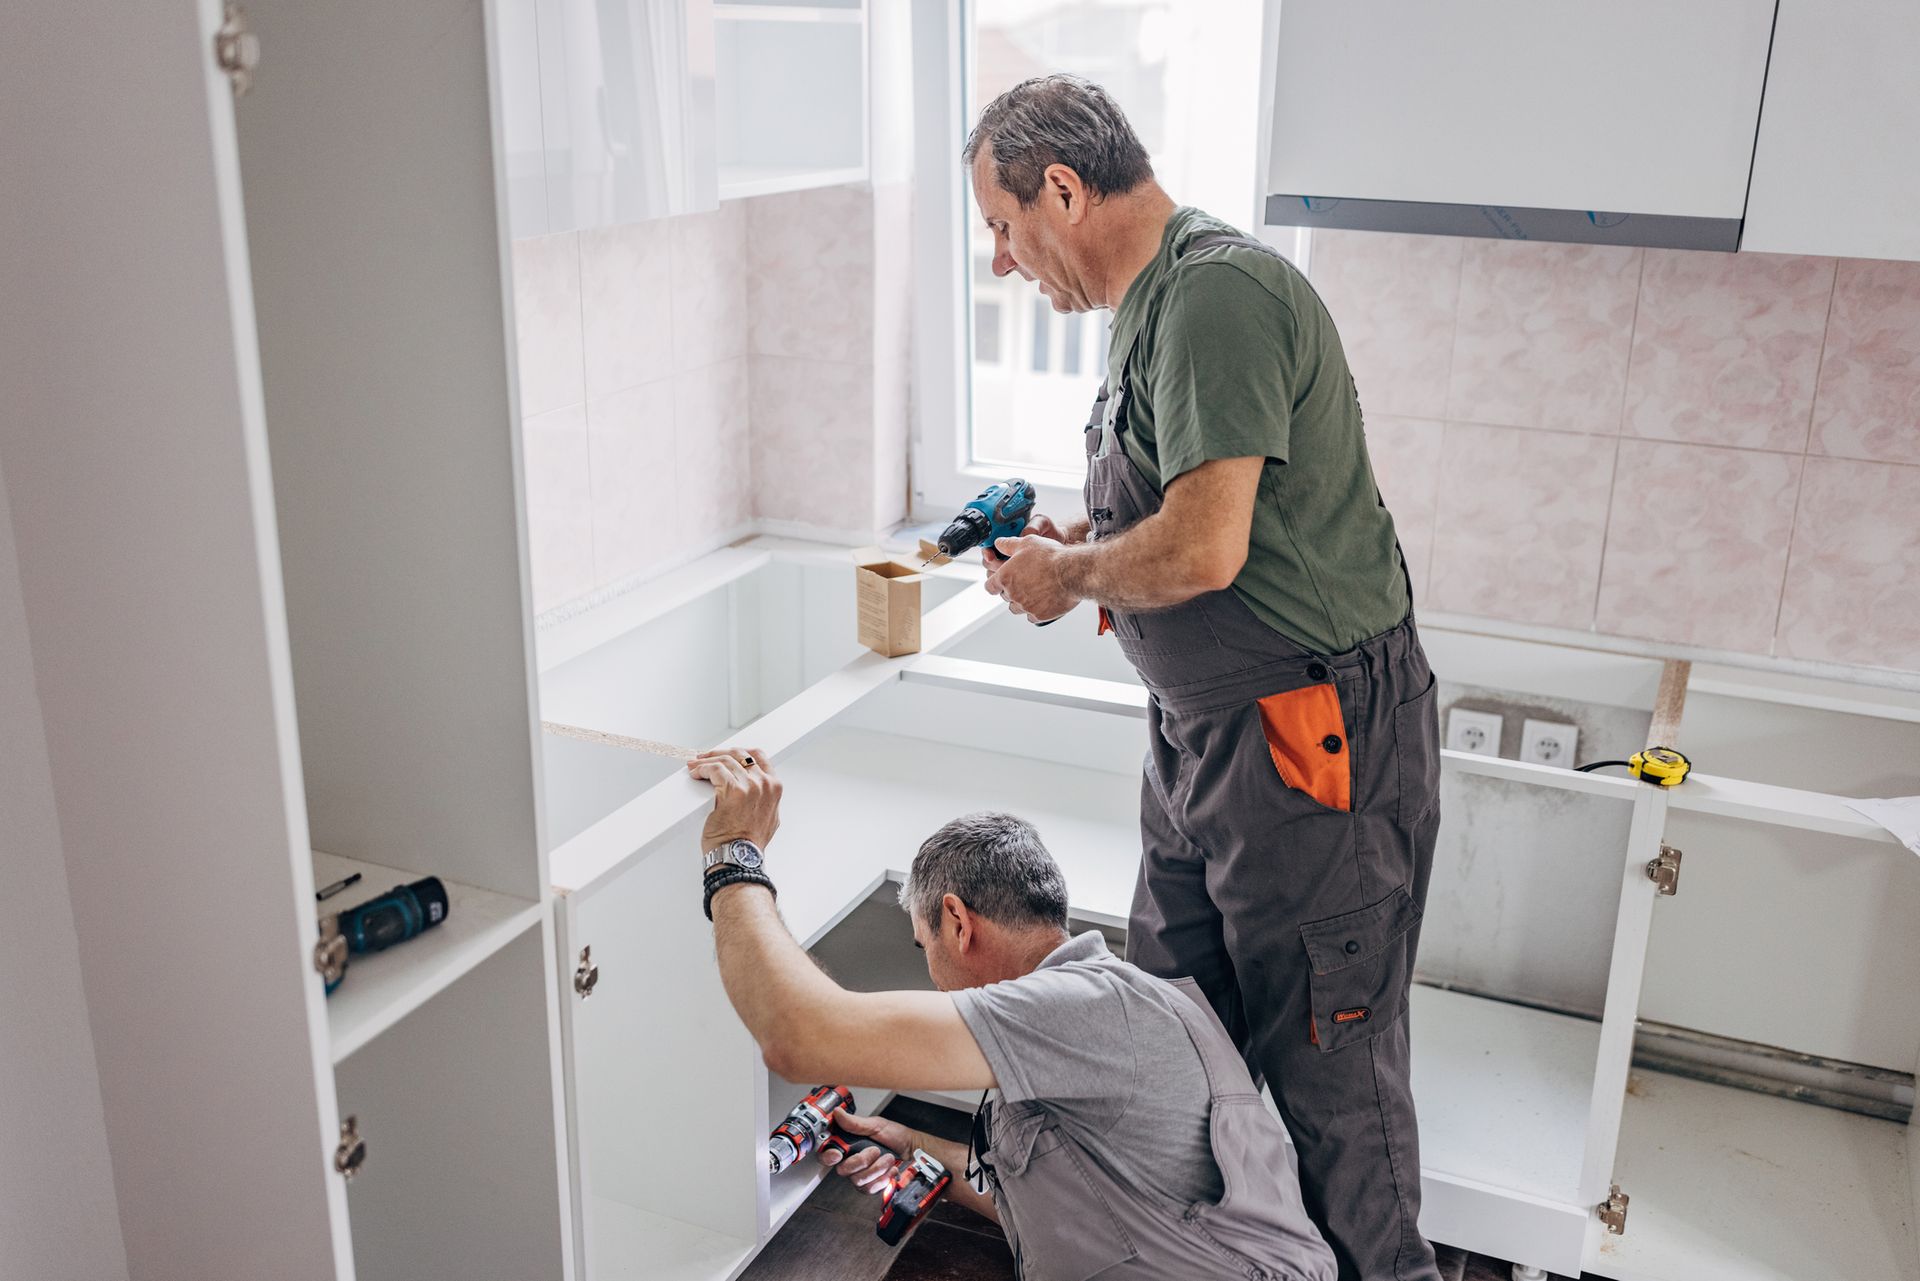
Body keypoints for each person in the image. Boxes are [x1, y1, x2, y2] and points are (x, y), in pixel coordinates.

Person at [969, 75, 1443, 1281]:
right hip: (1202, 739)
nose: (1003, 264)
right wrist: (1088, 550)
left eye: (1005, 228)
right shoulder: (1150, 308)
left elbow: (1206, 547)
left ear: (1063, 191)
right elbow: (1184, 507)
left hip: (1305, 738)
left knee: (1327, 1066)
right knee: (1180, 1034)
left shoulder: (1218, 292)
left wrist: (1073, 581)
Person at [689, 746, 1335, 1281]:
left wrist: (733, 852)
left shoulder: (1082, 1009)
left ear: (957, 922)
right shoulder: (1089, 1007)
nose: (932, 976)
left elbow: (796, 1035)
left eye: (925, 946)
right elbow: (1055, 1201)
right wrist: (913, 1143)